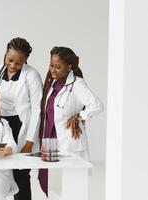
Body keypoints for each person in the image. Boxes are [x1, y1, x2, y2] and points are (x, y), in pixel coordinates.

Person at [38, 46, 104, 197]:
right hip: (51, 144)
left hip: (69, 145)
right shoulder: (52, 84)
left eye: (58, 67)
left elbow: (97, 105)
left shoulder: (77, 84)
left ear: (69, 67)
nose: (53, 70)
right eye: (51, 65)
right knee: (54, 188)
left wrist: (80, 116)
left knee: (71, 191)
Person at [0, 37, 43, 200]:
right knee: (1, 175)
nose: (13, 66)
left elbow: (37, 110)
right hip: (1, 128)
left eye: (19, 63)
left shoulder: (32, 75)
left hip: (21, 127)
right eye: (10, 60)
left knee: (21, 175)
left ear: (26, 61)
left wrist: (29, 142)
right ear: (5, 53)